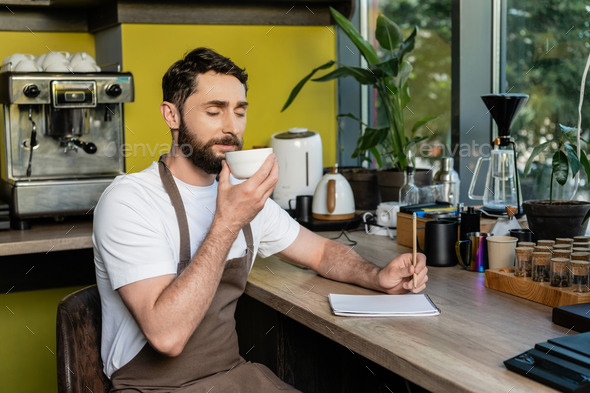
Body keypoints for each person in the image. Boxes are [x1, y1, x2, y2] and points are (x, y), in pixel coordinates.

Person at [93, 47, 429, 393]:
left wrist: (378, 277)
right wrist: (227, 222)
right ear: (171, 115)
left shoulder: (246, 196)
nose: (231, 127)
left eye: (240, 112)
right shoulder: (131, 200)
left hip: (231, 377)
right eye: (214, 111)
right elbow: (167, 337)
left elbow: (322, 254)